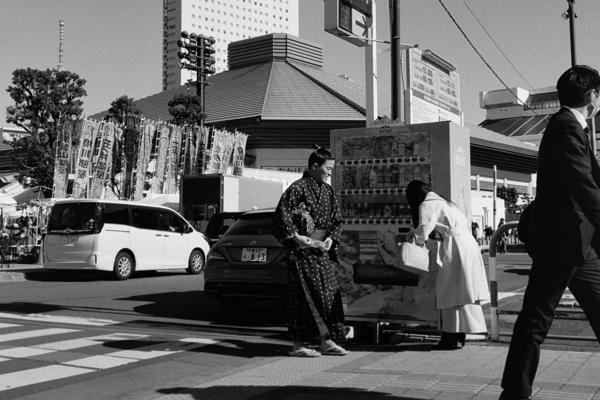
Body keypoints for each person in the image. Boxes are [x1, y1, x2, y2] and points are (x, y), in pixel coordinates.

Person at [499, 65, 600, 400]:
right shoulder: (565, 126)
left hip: (580, 243)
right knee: (535, 320)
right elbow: (583, 185)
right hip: (562, 242)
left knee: (537, 319)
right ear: (593, 95)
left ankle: (514, 391)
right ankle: (514, 393)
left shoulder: (571, 126)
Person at [273, 145, 348, 358]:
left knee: (328, 295)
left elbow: (337, 219)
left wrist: (331, 238)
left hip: (321, 252)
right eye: (328, 168)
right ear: (314, 167)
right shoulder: (297, 188)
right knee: (302, 299)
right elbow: (281, 216)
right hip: (301, 253)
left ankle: (326, 340)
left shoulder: (327, 191)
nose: (330, 173)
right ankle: (299, 344)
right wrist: (297, 238)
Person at [405, 180, 490, 350]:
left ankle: (450, 337)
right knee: (463, 291)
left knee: (449, 292)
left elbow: (424, 230)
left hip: (455, 247)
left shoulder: (427, 204)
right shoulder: (446, 203)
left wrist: (413, 239)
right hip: (468, 245)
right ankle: (459, 335)